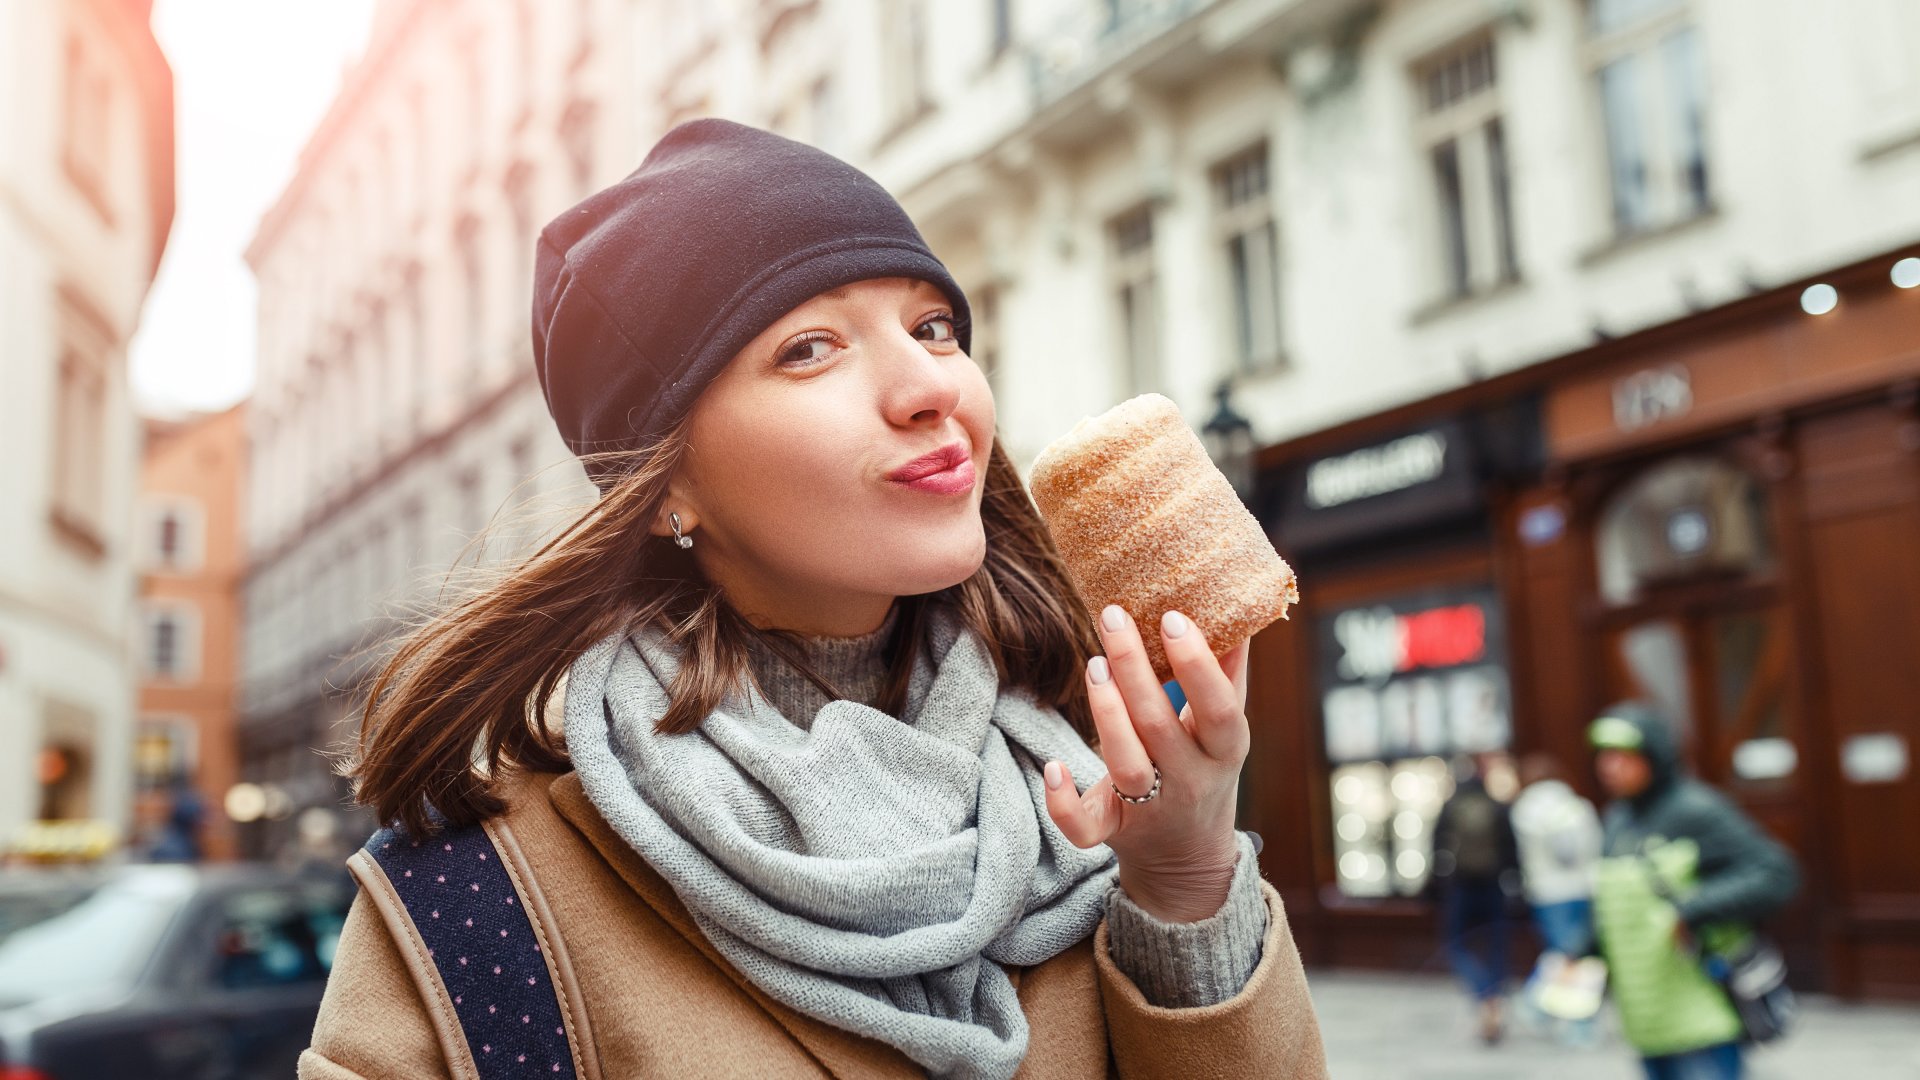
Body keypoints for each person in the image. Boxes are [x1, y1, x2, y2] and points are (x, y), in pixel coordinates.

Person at [298, 119, 1327, 1079]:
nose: (930, 386)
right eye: (809, 348)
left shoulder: (1084, 796)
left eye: (932, 326)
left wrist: (1186, 885)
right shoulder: (472, 912)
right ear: (666, 486)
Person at [1588, 702, 1800, 1080]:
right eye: (1604, 756)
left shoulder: (1695, 810)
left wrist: (1692, 909)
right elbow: (1614, 905)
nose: (1609, 766)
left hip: (1701, 1010)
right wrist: (1579, 950)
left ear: (1653, 757)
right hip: (1645, 1019)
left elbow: (1776, 873)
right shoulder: (1618, 819)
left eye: (1623, 756)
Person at [1509, 753, 1602, 1044]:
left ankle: (1538, 1004)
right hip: (1584, 888)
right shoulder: (1576, 806)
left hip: (1547, 892)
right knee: (1576, 956)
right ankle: (1565, 1017)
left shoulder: (1524, 809)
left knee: (1563, 955)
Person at [1431, 750, 1521, 1045]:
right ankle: (1492, 994)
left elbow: (1436, 847)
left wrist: (1434, 884)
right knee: (1496, 946)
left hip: (1460, 885)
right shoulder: (1496, 806)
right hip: (1493, 884)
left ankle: (1482, 992)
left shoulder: (1451, 806)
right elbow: (1511, 849)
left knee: (1455, 945)